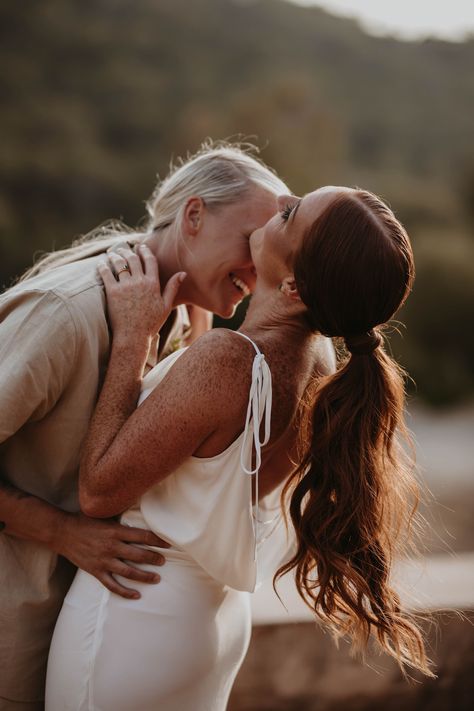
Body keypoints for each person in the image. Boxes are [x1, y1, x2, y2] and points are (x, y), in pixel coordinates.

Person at [45, 186, 433, 711]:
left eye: (292, 213)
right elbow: (210, 458)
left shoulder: (228, 360)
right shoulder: (318, 367)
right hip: (209, 622)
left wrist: (134, 339)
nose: (279, 199)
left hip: (132, 618)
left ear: (293, 285)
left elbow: (98, 491)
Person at [1, 142, 334, 711]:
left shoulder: (189, 322)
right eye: (248, 239)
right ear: (194, 216)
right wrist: (61, 531)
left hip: (85, 630)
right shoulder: (68, 314)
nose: (257, 266)